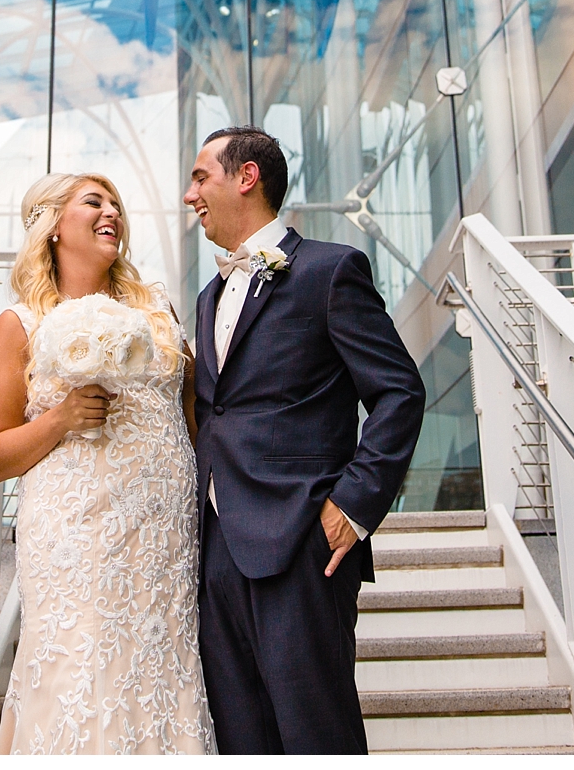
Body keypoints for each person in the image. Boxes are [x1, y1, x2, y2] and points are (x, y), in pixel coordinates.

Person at [184, 125, 427, 754]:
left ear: (246, 177)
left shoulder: (330, 269)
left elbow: (399, 391)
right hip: (216, 552)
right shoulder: (209, 297)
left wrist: (351, 506)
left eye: (200, 176)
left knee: (316, 731)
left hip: (301, 541)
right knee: (242, 737)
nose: (190, 195)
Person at [0, 173, 214, 754]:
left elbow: (191, 417)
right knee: (83, 667)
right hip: (77, 537)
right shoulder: (18, 325)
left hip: (163, 539)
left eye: (116, 205)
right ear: (54, 226)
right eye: (93, 202)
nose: (112, 213)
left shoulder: (157, 310)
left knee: (163, 663)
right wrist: (60, 418)